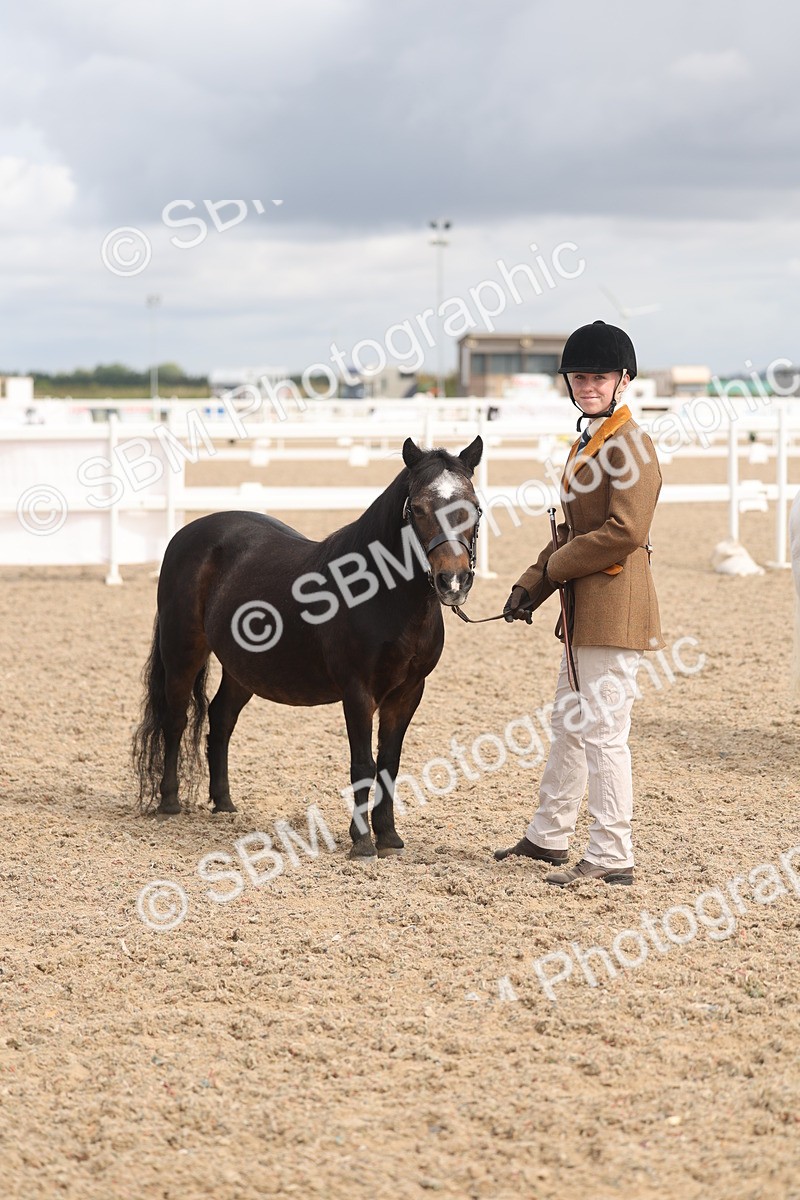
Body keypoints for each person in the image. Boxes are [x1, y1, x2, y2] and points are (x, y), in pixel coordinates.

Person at [495, 320, 663, 887]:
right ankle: (548, 837)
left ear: (622, 380)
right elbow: (570, 529)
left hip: (614, 607)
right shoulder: (590, 440)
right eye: (579, 376)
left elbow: (626, 530)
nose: (588, 384)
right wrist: (531, 586)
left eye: (599, 376)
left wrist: (557, 571)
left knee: (604, 732)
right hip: (581, 609)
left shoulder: (631, 444)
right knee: (568, 724)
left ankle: (613, 853)